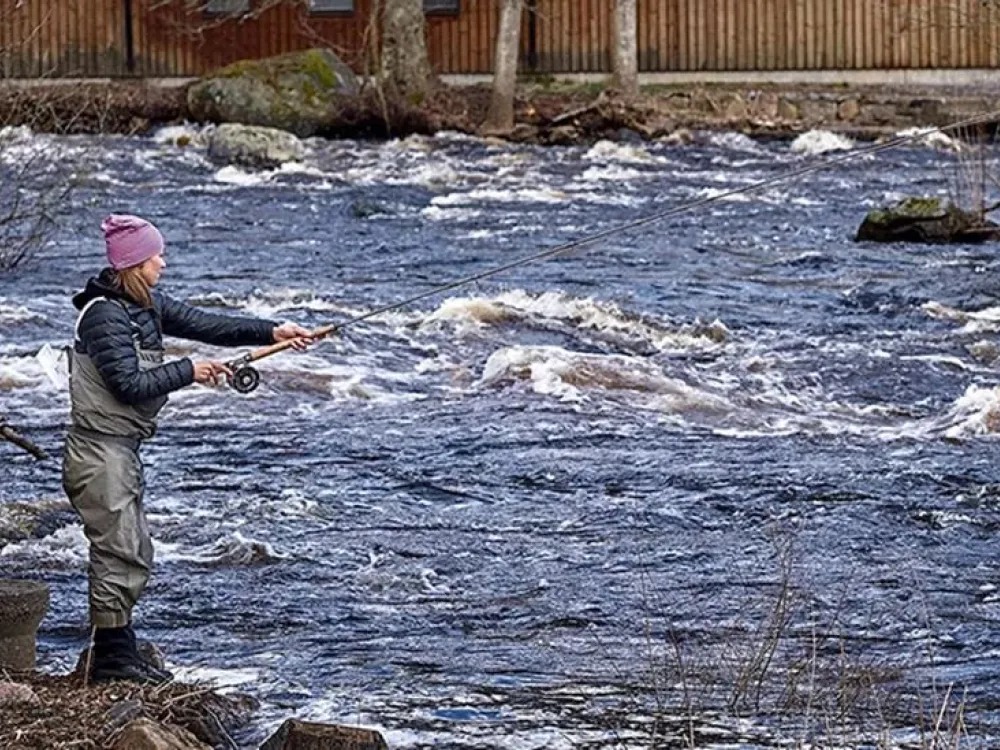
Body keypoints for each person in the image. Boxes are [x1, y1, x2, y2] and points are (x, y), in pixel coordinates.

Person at [63, 214, 311, 684]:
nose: (163, 262)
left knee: (132, 548)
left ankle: (118, 652)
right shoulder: (104, 316)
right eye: (156, 255)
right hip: (99, 451)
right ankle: (111, 662)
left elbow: (206, 324)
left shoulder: (143, 304)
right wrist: (189, 371)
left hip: (119, 448)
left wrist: (272, 331)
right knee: (119, 551)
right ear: (135, 262)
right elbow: (128, 384)